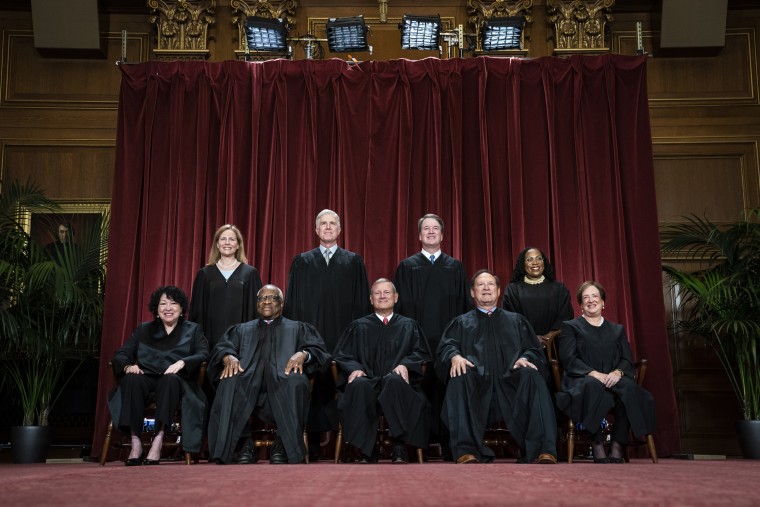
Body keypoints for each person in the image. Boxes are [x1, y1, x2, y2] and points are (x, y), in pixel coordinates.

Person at [437, 269, 557, 464]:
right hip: (476, 383)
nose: (486, 288)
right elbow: (447, 347)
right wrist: (454, 356)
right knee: (459, 376)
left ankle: (542, 449)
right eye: (480, 285)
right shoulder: (461, 323)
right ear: (472, 292)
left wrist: (525, 357)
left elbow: (534, 350)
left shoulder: (516, 321)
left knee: (532, 376)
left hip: (511, 382)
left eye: (491, 284)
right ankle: (466, 450)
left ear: (499, 291)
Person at [207, 284, 330, 465]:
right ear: (257, 304)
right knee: (228, 381)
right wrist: (228, 356)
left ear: (281, 304)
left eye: (272, 298)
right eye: (262, 298)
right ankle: (244, 444)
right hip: (247, 381)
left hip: (283, 381)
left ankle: (283, 444)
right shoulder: (241, 330)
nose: (266, 301)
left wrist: (304, 354)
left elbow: (320, 352)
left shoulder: (298, 328)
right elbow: (222, 347)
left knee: (297, 381)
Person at [284, 209, 370, 460]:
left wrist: (356, 341)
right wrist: (299, 341)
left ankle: (349, 448)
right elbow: (293, 305)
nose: (328, 227)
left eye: (333, 223)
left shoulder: (354, 261)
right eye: (324, 223)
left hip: (344, 339)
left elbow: (361, 306)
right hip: (311, 340)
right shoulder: (302, 261)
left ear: (340, 230)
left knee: (347, 387)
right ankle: (309, 445)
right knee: (311, 389)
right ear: (316, 229)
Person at [393, 213, 470, 457]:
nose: (430, 232)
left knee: (449, 389)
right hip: (417, 341)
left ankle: (451, 445)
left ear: (442, 235)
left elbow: (464, 309)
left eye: (435, 228)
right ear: (419, 235)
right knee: (420, 390)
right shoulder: (407, 267)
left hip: (448, 343)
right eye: (426, 228)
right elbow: (400, 310)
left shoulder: (455, 267)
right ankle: (420, 445)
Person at [333, 279, 432, 464]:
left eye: (387, 293)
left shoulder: (409, 325)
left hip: (397, 384)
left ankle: (399, 446)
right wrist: (356, 369)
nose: (382, 296)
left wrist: (406, 364)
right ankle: (365, 450)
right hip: (368, 381)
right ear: (371, 299)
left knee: (395, 381)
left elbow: (422, 352)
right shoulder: (358, 326)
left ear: (395, 298)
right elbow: (342, 355)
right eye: (377, 293)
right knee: (359, 385)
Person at [556, 281, 656, 463]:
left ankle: (617, 444)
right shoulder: (571, 327)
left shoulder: (617, 330)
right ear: (580, 305)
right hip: (582, 379)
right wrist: (593, 373)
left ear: (603, 302)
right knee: (592, 386)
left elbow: (626, 359)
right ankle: (597, 443)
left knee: (630, 389)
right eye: (585, 297)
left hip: (612, 378)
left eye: (595, 296)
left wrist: (618, 372)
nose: (590, 300)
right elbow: (569, 358)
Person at [108, 286, 209, 466]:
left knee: (169, 381)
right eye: (163, 303)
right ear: (156, 308)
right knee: (131, 379)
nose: (168, 308)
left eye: (173, 303)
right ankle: (136, 441)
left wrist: (183, 362)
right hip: (146, 377)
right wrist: (128, 366)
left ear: (181, 309)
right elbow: (121, 354)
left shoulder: (193, 330)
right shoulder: (144, 329)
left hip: (175, 380)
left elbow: (203, 354)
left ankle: (159, 438)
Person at [189, 224, 262, 349]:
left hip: (242, 343)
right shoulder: (205, 274)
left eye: (232, 239)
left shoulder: (250, 273)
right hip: (211, 342)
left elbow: (255, 311)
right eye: (223, 239)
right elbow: (197, 312)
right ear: (217, 244)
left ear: (238, 245)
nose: (227, 243)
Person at [502, 247, 573, 348]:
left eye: (539, 258)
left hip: (555, 346)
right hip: (523, 347)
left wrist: (550, 336)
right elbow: (509, 320)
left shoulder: (558, 288)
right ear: (523, 264)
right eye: (529, 259)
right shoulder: (512, 290)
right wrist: (533, 338)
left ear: (544, 262)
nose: (535, 263)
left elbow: (566, 315)